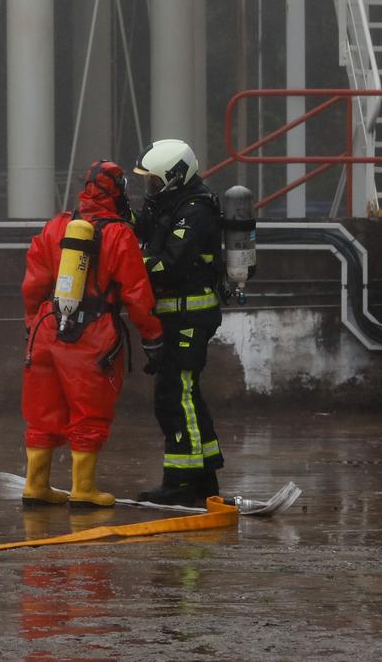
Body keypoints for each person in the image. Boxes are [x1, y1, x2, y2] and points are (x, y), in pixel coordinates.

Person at [19, 161, 163, 508]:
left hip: (47, 327)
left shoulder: (56, 226)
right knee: (89, 411)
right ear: (119, 191)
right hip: (93, 334)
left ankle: (35, 485)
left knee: (43, 410)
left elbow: (33, 284)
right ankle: (83, 489)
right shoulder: (118, 234)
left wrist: (32, 323)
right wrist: (153, 336)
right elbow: (137, 294)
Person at [132, 138, 227, 505]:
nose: (150, 188)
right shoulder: (169, 205)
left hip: (190, 315)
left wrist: (128, 265)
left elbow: (169, 264)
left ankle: (181, 482)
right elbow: (145, 232)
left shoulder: (195, 211)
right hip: (179, 315)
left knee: (175, 396)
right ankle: (203, 477)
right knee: (187, 394)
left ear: (175, 176)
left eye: (154, 181)